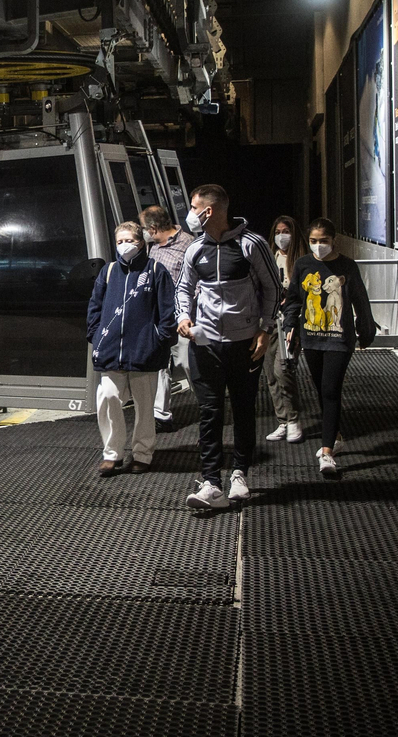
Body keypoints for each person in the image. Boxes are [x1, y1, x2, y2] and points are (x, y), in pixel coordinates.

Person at [174, 185, 280, 509]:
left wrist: (265, 330)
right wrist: (183, 316)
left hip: (245, 344)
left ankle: (240, 474)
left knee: (243, 408)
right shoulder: (195, 249)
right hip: (206, 345)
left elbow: (273, 288)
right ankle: (211, 483)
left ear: (209, 211)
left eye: (194, 207)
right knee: (209, 412)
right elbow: (183, 287)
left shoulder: (252, 244)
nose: (189, 213)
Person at [282, 218, 376, 479]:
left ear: (334, 240)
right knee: (321, 390)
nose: (318, 245)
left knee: (330, 389)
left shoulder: (347, 266)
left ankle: (327, 453)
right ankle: (334, 435)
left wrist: (365, 332)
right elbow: (293, 300)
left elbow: (360, 300)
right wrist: (290, 325)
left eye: (323, 240)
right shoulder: (303, 265)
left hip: (338, 338)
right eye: (313, 241)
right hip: (311, 337)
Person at [86, 222, 176, 476]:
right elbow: (95, 306)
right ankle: (112, 454)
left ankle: (142, 454)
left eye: (130, 240)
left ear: (142, 243)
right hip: (111, 351)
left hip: (144, 352)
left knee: (145, 407)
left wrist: (158, 339)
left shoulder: (156, 270)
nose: (125, 245)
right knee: (108, 399)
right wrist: (96, 336)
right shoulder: (108, 271)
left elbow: (167, 310)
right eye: (120, 241)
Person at [140, 204, 193, 432]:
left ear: (153, 228)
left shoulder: (188, 244)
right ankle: (161, 416)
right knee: (161, 366)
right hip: (159, 317)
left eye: (143, 228)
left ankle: (210, 407)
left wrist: (188, 313)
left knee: (188, 363)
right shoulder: (153, 247)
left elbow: (195, 283)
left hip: (182, 316)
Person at [263, 215, 306, 444]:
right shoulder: (270, 257)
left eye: (286, 231)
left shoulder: (302, 261)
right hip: (269, 321)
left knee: (284, 369)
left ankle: (293, 419)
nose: (282, 236)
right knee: (270, 373)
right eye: (278, 231)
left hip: (291, 322)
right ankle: (282, 420)